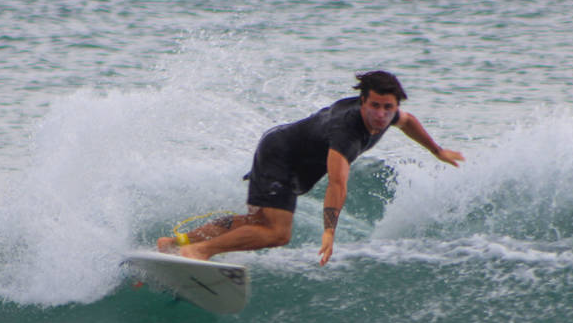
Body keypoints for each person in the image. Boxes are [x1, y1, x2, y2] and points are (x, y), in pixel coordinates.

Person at [157, 70, 464, 265]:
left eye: (388, 108)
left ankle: (176, 243)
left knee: (256, 220)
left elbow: (408, 122)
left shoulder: (391, 115)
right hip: (281, 155)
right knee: (277, 233)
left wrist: (437, 151)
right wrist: (329, 232)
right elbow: (337, 184)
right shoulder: (346, 132)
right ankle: (200, 252)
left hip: (286, 149)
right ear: (362, 102)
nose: (382, 115)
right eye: (375, 106)